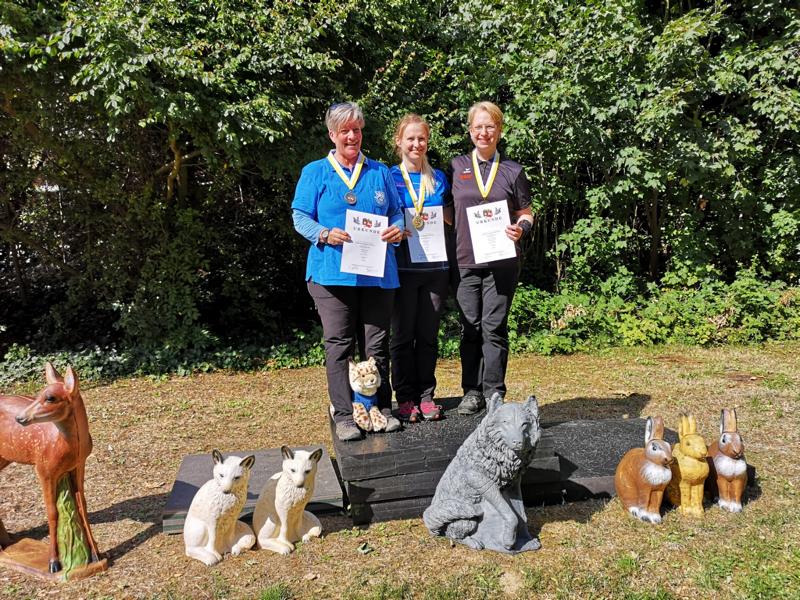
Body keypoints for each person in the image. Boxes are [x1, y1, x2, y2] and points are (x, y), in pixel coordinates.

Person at [292, 102, 405, 441]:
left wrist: (397, 229)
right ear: (332, 135)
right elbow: (300, 217)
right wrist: (324, 233)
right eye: (345, 131)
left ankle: (381, 409)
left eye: (356, 130)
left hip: (377, 274)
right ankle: (344, 416)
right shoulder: (315, 172)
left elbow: (396, 213)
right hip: (331, 276)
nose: (352, 136)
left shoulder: (379, 171)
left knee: (377, 345)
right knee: (340, 346)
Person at [450, 101, 535, 415]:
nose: (483, 132)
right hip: (465, 261)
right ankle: (472, 392)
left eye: (490, 126)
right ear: (470, 130)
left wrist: (521, 229)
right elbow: (445, 211)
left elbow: (526, 213)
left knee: (494, 327)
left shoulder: (513, 171)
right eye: (478, 126)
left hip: (502, 263)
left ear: (499, 130)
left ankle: (494, 393)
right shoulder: (456, 166)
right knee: (470, 327)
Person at [389, 114, 453, 422]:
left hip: (435, 269)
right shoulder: (388, 176)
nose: (417, 144)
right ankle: (404, 398)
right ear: (399, 141)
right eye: (411, 138)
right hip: (402, 269)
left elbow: (451, 216)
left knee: (428, 336)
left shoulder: (438, 178)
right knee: (403, 336)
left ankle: (426, 396)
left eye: (422, 138)